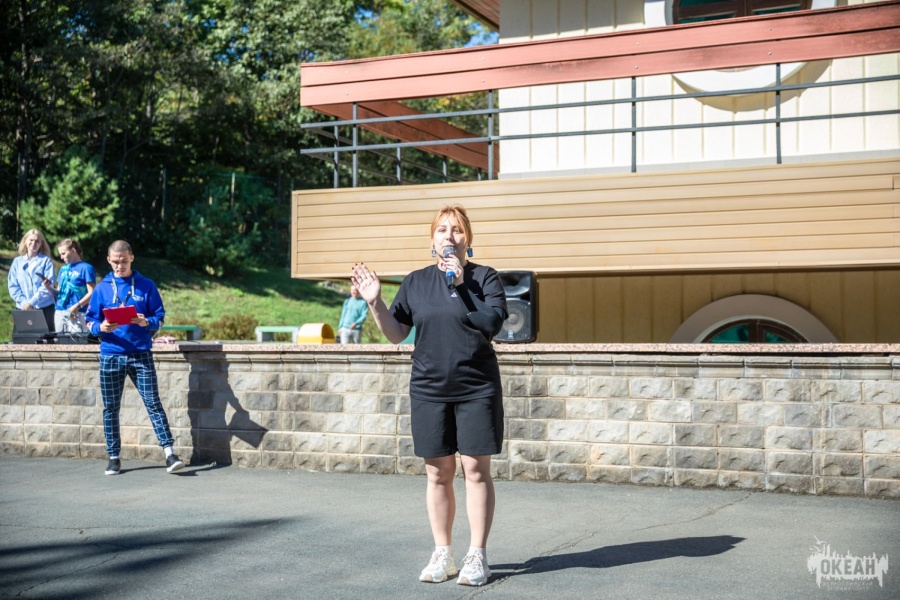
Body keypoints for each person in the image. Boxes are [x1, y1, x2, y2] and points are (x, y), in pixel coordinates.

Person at [350, 205, 507, 587]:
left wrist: (461, 286)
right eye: (442, 230)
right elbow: (396, 333)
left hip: (476, 388)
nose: (449, 236)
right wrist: (374, 301)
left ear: (467, 239)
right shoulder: (416, 282)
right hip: (428, 389)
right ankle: (443, 553)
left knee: (475, 471)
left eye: (457, 230)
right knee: (437, 473)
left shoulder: (485, 277)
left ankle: (477, 555)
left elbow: (491, 323)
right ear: (432, 239)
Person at [85, 240, 185, 476]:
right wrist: (101, 327)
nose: (119, 266)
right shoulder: (101, 288)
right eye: (115, 262)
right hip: (111, 354)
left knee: (153, 403)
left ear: (131, 258)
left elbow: (159, 317)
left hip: (140, 354)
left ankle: (170, 454)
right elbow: (90, 321)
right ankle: (113, 457)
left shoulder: (146, 285)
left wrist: (145, 322)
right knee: (111, 408)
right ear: (108, 260)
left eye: (123, 261)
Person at [8, 229, 56, 332]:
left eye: (37, 241)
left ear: (41, 244)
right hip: (23, 309)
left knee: (46, 341)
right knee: (22, 339)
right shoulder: (17, 262)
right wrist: (24, 303)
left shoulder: (46, 261)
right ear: (25, 241)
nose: (34, 243)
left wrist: (32, 303)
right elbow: (13, 286)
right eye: (31, 240)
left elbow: (47, 287)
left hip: (44, 308)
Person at [52, 239, 96, 334]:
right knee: (60, 341)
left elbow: (92, 292)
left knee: (76, 341)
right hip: (60, 310)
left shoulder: (86, 268)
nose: (61, 257)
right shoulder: (63, 269)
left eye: (63, 253)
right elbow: (59, 292)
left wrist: (77, 306)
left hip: (78, 312)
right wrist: (48, 287)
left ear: (73, 250)